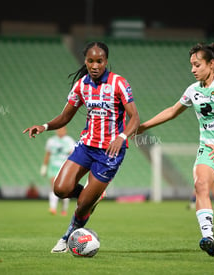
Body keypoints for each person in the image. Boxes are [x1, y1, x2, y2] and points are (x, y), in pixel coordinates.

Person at [23, 41, 140, 253]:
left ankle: (67, 237)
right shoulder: (81, 85)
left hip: (109, 153)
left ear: (106, 61)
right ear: (85, 61)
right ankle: (92, 195)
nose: (95, 65)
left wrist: (122, 137)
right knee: (60, 189)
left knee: (83, 204)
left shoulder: (119, 83)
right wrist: (44, 126)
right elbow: (65, 116)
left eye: (99, 61)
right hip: (86, 146)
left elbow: (135, 118)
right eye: (90, 61)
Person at [136, 42, 214, 256]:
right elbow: (172, 111)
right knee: (201, 184)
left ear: (211, 64)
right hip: (208, 148)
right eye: (191, 65)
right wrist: (142, 127)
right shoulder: (193, 91)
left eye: (197, 65)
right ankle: (208, 237)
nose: (192, 69)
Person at [41, 126, 75, 215]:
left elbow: (72, 154)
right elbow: (48, 154)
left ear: (65, 131)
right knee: (53, 187)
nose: (60, 131)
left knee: (64, 189)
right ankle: (53, 208)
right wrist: (44, 166)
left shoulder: (69, 141)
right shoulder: (51, 141)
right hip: (53, 167)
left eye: (62, 129)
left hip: (64, 167)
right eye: (58, 129)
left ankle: (64, 209)